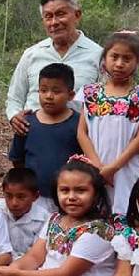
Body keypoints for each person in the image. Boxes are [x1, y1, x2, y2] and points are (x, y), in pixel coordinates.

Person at [76, 31, 139, 213]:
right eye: (114, 57)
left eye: (127, 58)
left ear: (137, 63)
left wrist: (114, 167)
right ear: (104, 58)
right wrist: (98, 167)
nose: (119, 64)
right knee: (94, 214)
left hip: (126, 169)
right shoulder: (90, 93)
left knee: (125, 212)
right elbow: (82, 132)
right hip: (94, 168)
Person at [7, 0, 102, 133]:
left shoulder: (98, 56)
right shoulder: (31, 55)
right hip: (33, 138)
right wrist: (14, 116)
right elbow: (15, 97)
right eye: (48, 16)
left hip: (80, 141)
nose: (54, 22)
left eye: (60, 14)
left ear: (77, 15)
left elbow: (105, 104)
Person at [9, 63, 82, 211]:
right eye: (43, 90)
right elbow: (17, 159)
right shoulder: (27, 123)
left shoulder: (80, 124)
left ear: (71, 95)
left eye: (56, 91)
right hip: (34, 199)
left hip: (68, 199)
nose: (49, 96)